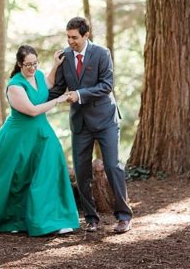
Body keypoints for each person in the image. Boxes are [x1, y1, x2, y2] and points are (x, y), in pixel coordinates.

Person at [0, 45, 80, 236]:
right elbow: (33, 111)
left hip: (42, 133)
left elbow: (48, 84)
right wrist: (58, 100)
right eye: (28, 65)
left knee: (49, 172)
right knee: (16, 179)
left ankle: (52, 219)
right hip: (18, 136)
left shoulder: (38, 75)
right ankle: (11, 220)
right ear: (19, 64)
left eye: (35, 64)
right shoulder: (15, 86)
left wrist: (55, 66)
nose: (32, 68)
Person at [49, 16, 133, 234]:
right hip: (80, 123)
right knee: (81, 170)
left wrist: (79, 94)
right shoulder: (64, 57)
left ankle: (124, 216)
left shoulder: (102, 53)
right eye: (68, 37)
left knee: (113, 166)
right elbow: (57, 89)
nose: (70, 42)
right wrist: (35, 95)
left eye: (74, 37)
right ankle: (91, 218)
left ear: (86, 35)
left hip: (106, 119)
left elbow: (106, 86)